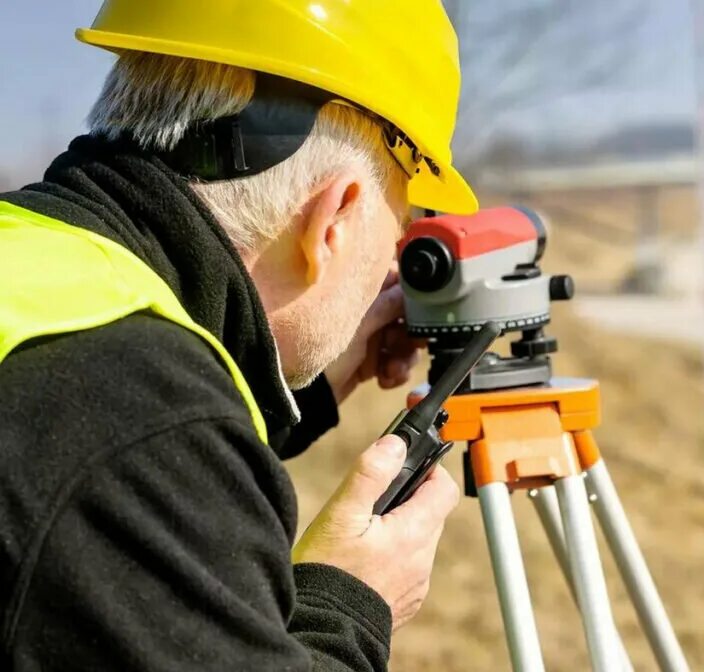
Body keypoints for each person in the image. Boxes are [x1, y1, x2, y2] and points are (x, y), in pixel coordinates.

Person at [0, 1, 479, 669]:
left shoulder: (37, 277)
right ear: (334, 219)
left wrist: (308, 384)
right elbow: (137, 446)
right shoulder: (142, 425)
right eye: (400, 227)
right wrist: (348, 603)